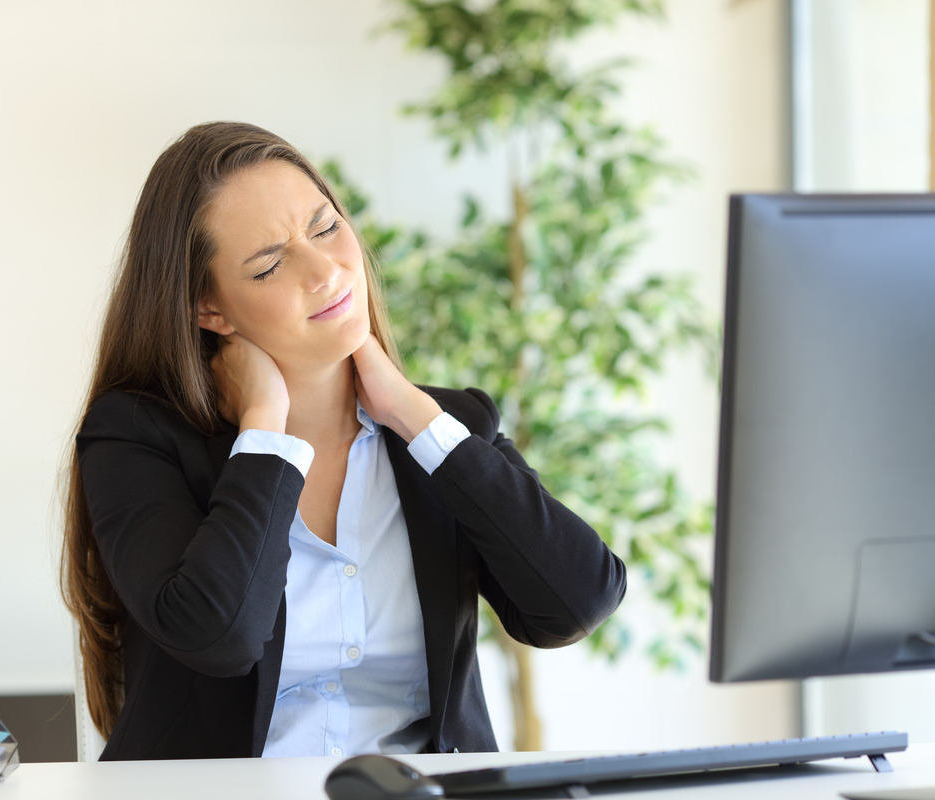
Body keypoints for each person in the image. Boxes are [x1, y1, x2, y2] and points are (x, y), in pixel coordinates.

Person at [60, 121, 626, 761]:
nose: (325, 270)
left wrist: (413, 415)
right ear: (208, 309)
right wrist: (265, 428)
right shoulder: (135, 437)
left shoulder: (442, 430)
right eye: (270, 263)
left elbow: (576, 602)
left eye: (326, 228)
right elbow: (218, 636)